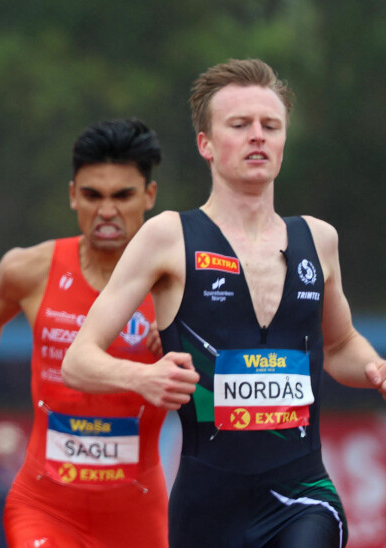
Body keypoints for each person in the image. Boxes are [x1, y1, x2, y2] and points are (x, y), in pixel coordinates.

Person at [62, 59, 386, 548]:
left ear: (282, 140)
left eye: (270, 126)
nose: (258, 136)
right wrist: (142, 377)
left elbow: (339, 346)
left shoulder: (319, 240)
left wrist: (376, 367)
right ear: (206, 145)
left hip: (302, 494)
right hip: (207, 505)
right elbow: (77, 359)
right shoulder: (168, 237)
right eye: (240, 125)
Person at [0, 119, 168, 547]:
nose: (106, 211)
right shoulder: (29, 270)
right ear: (72, 195)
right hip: (44, 507)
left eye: (122, 195)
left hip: (137, 514)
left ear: (149, 196)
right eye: (92, 195)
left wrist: (185, 341)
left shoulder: (179, 284)